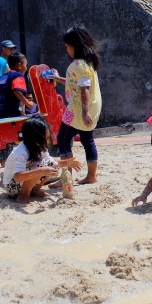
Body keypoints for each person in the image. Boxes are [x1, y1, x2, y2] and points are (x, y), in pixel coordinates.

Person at [48, 26, 102, 186]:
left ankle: (66, 178)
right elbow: (78, 83)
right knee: (87, 140)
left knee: (62, 138)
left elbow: (84, 89)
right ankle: (91, 176)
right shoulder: (88, 63)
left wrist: (84, 112)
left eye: (67, 46)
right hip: (92, 106)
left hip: (78, 108)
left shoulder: (77, 65)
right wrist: (57, 78)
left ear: (74, 45)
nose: (66, 49)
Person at [3, 117, 82, 204]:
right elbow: (17, 177)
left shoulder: (40, 148)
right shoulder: (21, 152)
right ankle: (23, 196)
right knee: (42, 166)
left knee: (52, 165)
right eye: (47, 138)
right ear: (36, 138)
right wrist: (41, 171)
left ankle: (34, 191)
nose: (48, 141)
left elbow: (52, 162)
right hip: (12, 187)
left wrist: (67, 162)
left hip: (22, 183)